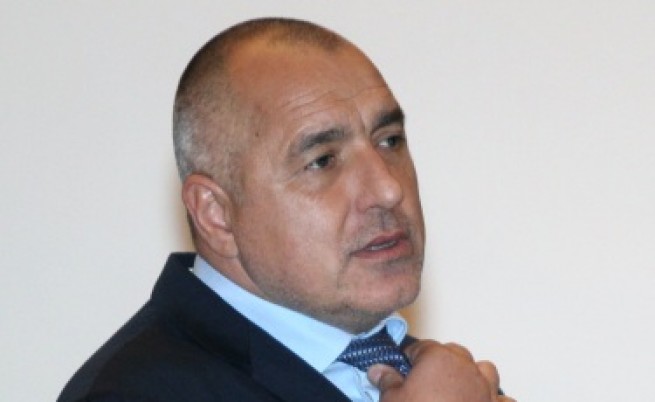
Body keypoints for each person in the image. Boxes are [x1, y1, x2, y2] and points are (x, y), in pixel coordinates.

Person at [58, 18, 514, 402]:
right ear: (217, 215)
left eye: (389, 140)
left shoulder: (435, 378)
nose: (388, 189)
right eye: (323, 161)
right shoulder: (128, 393)